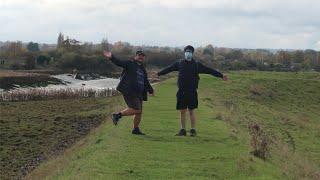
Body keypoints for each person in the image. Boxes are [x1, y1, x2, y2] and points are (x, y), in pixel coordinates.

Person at [157, 45, 228, 137]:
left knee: (191, 111)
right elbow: (169, 69)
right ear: (184, 53)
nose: (188, 53)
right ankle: (182, 130)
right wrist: (158, 74)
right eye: (187, 52)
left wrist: (221, 75)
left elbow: (209, 70)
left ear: (192, 53)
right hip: (181, 91)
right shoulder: (179, 63)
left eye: (190, 52)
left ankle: (193, 130)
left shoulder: (197, 65)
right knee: (182, 111)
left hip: (192, 91)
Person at [103, 50, 154, 135]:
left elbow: (145, 81)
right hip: (129, 90)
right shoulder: (130, 63)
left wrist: (150, 90)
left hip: (139, 93)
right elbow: (119, 62)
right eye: (139, 55)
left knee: (139, 112)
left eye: (142, 56)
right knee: (136, 110)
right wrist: (111, 57)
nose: (141, 57)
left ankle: (135, 129)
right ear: (135, 56)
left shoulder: (142, 68)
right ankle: (117, 115)